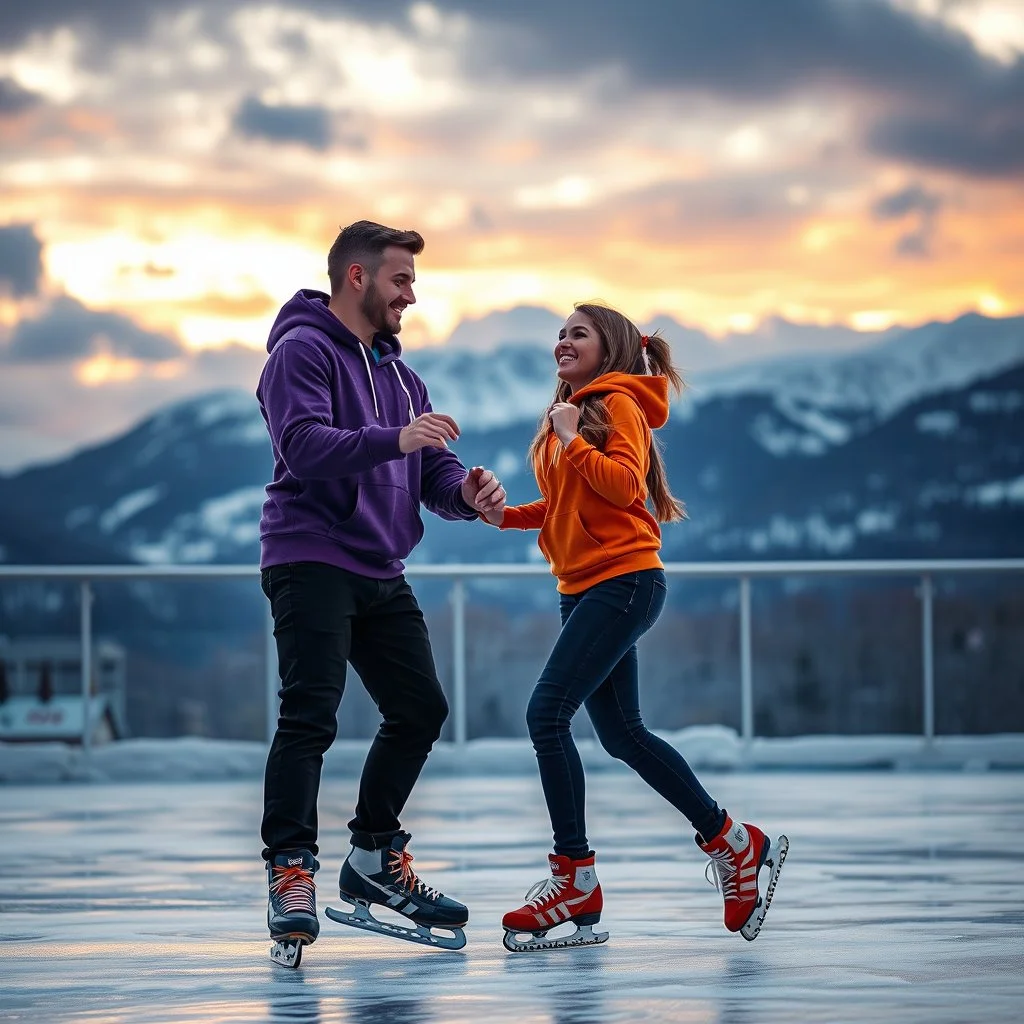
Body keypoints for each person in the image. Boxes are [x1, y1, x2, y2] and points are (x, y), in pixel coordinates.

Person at [481, 302, 787, 952]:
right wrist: (502, 515)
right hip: (587, 588)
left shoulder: (615, 403)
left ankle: (574, 878)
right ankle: (735, 843)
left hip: (624, 581)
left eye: (578, 333)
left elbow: (622, 487)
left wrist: (570, 438)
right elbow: (567, 503)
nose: (563, 341)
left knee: (547, 715)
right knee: (622, 734)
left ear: (610, 348)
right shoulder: (574, 412)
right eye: (560, 333)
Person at [256, 220, 506, 966]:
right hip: (311, 555)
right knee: (310, 715)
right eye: (401, 279)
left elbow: (432, 473)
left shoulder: (401, 377)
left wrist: (469, 492)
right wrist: (393, 440)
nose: (411, 294)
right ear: (357, 277)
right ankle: (290, 870)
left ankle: (371, 855)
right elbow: (302, 444)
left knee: (420, 707)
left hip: (380, 568)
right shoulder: (299, 351)